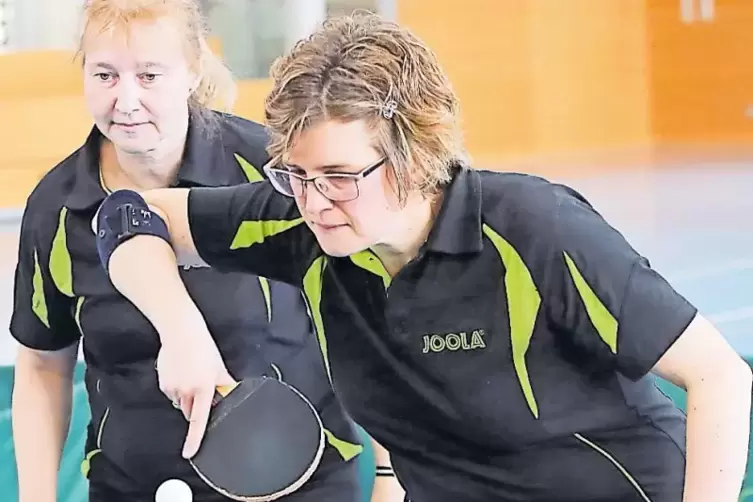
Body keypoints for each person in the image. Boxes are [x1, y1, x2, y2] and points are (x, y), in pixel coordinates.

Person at [94, 12, 752, 502]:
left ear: (414, 157)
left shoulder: (534, 230)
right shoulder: (302, 222)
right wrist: (180, 331)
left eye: (340, 174)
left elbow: (719, 376)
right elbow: (127, 216)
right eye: (293, 174)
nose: (316, 200)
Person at [9, 2, 386, 501]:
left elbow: (367, 320)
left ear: (192, 70)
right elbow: (43, 365)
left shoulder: (272, 171)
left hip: (298, 484)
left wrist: (388, 478)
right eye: (105, 74)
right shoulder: (56, 206)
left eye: (149, 75)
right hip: (133, 488)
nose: (125, 100)